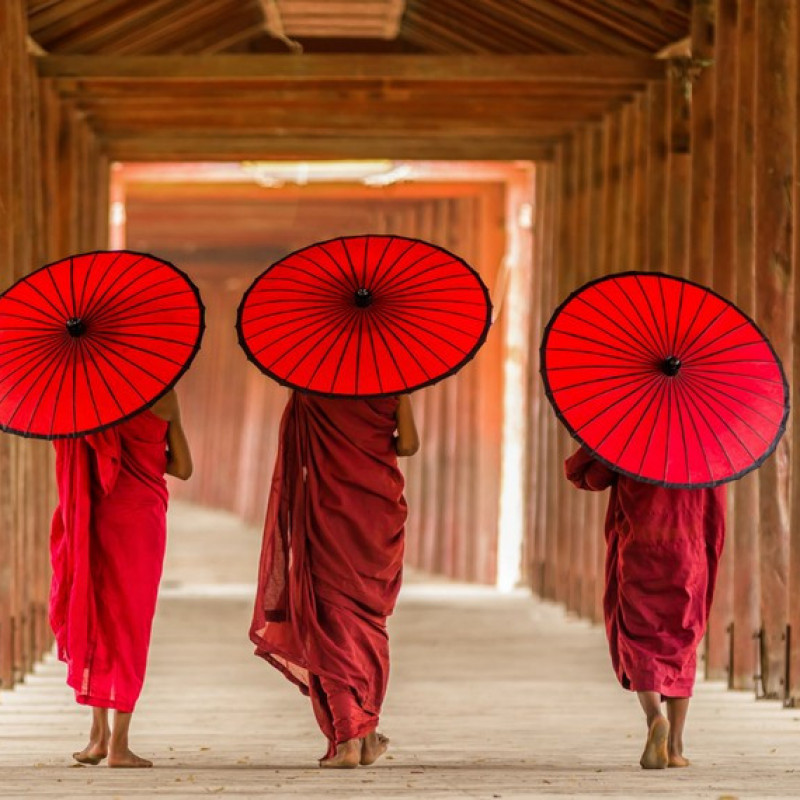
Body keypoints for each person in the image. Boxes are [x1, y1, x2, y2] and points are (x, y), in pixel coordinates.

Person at [250, 392, 419, 768]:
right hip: (378, 517)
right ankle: (365, 734)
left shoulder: (309, 389)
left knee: (329, 623)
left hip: (328, 513)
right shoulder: (392, 386)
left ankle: (349, 742)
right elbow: (408, 444)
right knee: (369, 624)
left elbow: (296, 453)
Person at [50, 389, 192, 768]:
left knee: (97, 615)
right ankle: (120, 745)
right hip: (141, 519)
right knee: (131, 624)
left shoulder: (87, 399)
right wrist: (146, 456)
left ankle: (98, 736)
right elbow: (183, 468)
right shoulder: (164, 398)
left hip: (97, 514)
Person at [565, 446, 725, 770]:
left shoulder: (632, 437)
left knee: (639, 640)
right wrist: (706, 555)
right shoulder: (705, 445)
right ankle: (676, 747)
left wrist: (606, 445)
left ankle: (655, 718)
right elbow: (715, 516)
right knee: (683, 641)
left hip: (640, 547)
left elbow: (586, 475)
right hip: (687, 551)